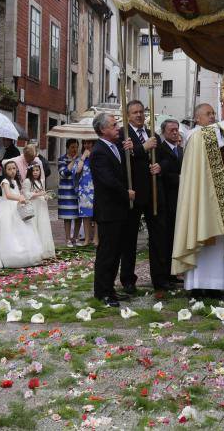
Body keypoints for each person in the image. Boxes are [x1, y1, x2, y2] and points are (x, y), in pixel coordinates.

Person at [171, 104, 224, 299]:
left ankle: (217, 286)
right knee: (202, 241)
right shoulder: (196, 136)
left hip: (220, 199)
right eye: (207, 114)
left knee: (218, 246)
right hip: (201, 202)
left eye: (213, 114)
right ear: (197, 118)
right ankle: (197, 286)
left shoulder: (216, 134)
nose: (212, 117)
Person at [120, 100, 169, 293]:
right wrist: (143, 148)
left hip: (154, 195)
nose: (139, 115)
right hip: (134, 193)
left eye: (141, 112)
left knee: (158, 237)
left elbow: (167, 157)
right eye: (134, 113)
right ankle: (128, 280)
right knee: (129, 239)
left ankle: (160, 278)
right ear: (128, 115)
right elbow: (125, 161)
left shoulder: (153, 135)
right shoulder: (123, 135)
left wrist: (161, 167)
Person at [90, 113, 135, 307]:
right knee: (107, 253)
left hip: (119, 210)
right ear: (103, 130)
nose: (118, 127)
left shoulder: (115, 146)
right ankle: (102, 292)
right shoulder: (99, 151)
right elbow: (107, 180)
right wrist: (126, 193)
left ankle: (110, 289)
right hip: (108, 210)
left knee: (116, 252)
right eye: (114, 125)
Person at [0, 161, 43, 268]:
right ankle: (11, 256)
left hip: (17, 206)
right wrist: (20, 198)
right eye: (9, 169)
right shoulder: (5, 181)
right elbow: (8, 195)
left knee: (24, 229)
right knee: (9, 231)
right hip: (8, 207)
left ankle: (26, 253)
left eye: (14, 168)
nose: (12, 171)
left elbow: (18, 193)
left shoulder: (15, 181)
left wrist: (23, 198)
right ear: (5, 171)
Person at [156, 119, 184, 287]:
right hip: (166, 199)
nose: (175, 132)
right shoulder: (160, 149)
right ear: (164, 132)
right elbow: (160, 173)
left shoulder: (180, 150)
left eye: (177, 129)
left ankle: (173, 271)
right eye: (172, 130)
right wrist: (179, 179)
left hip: (179, 199)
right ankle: (164, 273)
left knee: (175, 237)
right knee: (165, 239)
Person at [22, 163, 56, 259]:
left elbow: (42, 192)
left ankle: (44, 250)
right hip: (34, 206)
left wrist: (46, 196)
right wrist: (38, 194)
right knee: (34, 225)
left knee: (43, 226)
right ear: (30, 171)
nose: (36, 172)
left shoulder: (41, 181)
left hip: (42, 207)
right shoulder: (27, 181)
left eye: (37, 170)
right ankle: (34, 250)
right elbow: (26, 194)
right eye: (33, 170)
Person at [57, 139, 81, 246]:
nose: (74, 149)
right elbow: (63, 173)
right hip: (66, 191)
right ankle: (67, 239)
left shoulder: (81, 159)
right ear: (67, 148)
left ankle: (75, 238)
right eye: (72, 147)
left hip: (78, 191)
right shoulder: (62, 159)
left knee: (78, 216)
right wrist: (73, 161)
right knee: (67, 217)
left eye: (76, 147)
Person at [76, 140, 96, 246]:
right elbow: (78, 170)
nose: (86, 145)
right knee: (85, 215)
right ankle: (87, 239)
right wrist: (83, 157)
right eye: (84, 143)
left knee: (97, 214)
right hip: (84, 189)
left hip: (95, 187)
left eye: (88, 142)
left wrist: (91, 156)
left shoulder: (97, 154)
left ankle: (96, 238)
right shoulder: (82, 157)